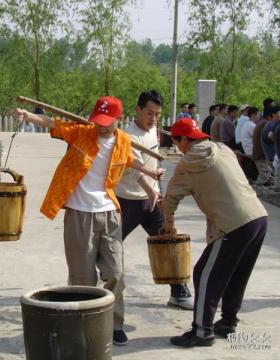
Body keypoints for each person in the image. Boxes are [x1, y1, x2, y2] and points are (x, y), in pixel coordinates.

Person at [15, 96, 165, 345]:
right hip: (79, 214)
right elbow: (52, 123)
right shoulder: (81, 133)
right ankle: (84, 324)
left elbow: (129, 160)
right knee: (82, 279)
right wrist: (28, 116)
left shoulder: (124, 140)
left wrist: (150, 175)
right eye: (98, 120)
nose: (101, 126)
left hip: (109, 213)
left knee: (115, 273)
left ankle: (114, 324)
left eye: (107, 122)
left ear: (119, 119)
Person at [161, 118, 268, 347]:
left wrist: (168, 221)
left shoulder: (188, 161)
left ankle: (202, 331)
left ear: (184, 140)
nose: (178, 147)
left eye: (177, 141)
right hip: (258, 217)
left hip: (233, 224)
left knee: (204, 274)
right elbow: (219, 181)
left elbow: (170, 198)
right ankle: (228, 322)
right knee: (236, 274)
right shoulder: (223, 149)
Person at [115, 90, 194, 310]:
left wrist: (157, 193)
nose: (153, 119)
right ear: (137, 110)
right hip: (127, 201)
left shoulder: (152, 133)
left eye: (157, 114)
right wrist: (151, 192)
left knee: (168, 243)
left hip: (152, 202)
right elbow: (135, 170)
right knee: (110, 246)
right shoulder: (127, 137)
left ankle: (178, 292)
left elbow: (152, 167)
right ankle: (97, 290)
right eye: (149, 113)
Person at [253, 106, 275, 186]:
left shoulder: (262, 123)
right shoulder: (266, 124)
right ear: (270, 116)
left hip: (260, 154)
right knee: (265, 173)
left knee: (267, 174)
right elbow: (270, 138)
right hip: (261, 154)